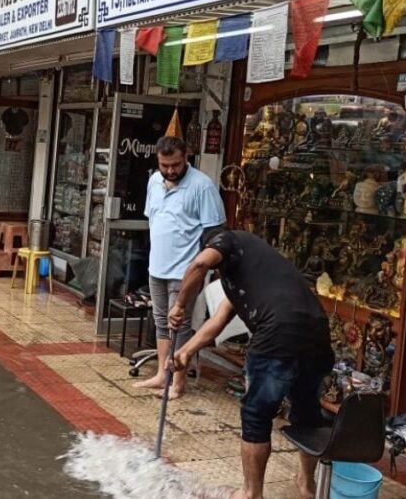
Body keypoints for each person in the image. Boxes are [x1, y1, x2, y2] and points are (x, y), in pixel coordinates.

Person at [169, 226, 334, 499]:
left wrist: (180, 305)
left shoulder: (228, 240)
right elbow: (218, 321)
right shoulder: (254, 271)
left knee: (256, 414)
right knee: (307, 409)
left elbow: (199, 263)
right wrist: (186, 351)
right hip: (317, 331)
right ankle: (306, 483)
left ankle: (250, 493)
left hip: (277, 333)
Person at [134, 135, 225, 398]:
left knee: (180, 325)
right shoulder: (154, 181)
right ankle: (163, 374)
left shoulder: (202, 186)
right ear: (158, 162)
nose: (170, 170)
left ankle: (178, 383)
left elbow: (215, 233)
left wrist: (203, 267)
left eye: (175, 164)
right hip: (157, 267)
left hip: (185, 270)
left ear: (186, 158)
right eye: (165, 165)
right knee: (161, 321)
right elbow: (154, 220)